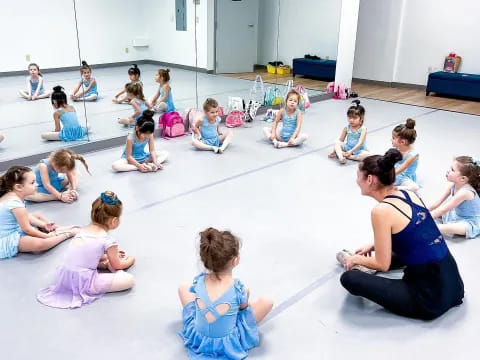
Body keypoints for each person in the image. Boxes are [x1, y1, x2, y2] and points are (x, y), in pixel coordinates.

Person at [337, 149, 464, 320]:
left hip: (429, 299)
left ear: (369, 179)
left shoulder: (380, 211)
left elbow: (382, 264)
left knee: (350, 278)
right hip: (453, 285)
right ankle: (366, 263)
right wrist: (374, 245)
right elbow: (416, 232)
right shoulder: (408, 194)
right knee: (401, 250)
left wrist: (355, 259)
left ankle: (358, 264)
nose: (356, 180)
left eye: (358, 176)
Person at [178, 227, 273, 359]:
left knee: (183, 288)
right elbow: (243, 311)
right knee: (267, 301)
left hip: (200, 338)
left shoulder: (199, 282)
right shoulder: (239, 289)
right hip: (226, 343)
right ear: (235, 261)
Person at [37, 191, 135, 308]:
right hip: (83, 282)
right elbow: (118, 265)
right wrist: (131, 260)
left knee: (101, 261)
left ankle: (105, 263)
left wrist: (106, 257)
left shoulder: (82, 231)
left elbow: (89, 253)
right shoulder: (108, 240)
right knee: (129, 280)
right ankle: (109, 267)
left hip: (65, 275)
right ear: (114, 221)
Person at [0, 166, 78, 260]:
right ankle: (66, 234)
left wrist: (44, 224)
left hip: (15, 228)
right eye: (32, 183)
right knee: (40, 244)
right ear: (19, 187)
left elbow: (26, 217)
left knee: (37, 216)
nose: (36, 185)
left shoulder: (13, 196)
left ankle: (54, 228)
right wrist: (46, 236)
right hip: (7, 237)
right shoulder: (14, 202)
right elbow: (27, 229)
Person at [430, 156, 480, 239]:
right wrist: (424, 211)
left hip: (469, 222)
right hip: (456, 215)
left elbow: (443, 210)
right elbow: (437, 203)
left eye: (452, 170)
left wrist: (424, 219)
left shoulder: (465, 192)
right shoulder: (452, 186)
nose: (448, 171)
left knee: (439, 227)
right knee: (438, 212)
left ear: (463, 179)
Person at [392, 119, 419, 191]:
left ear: (402, 142)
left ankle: (399, 188)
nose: (391, 140)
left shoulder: (413, 155)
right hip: (395, 173)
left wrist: (389, 175)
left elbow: (403, 167)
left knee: (414, 187)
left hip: (405, 177)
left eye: (393, 138)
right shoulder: (397, 149)